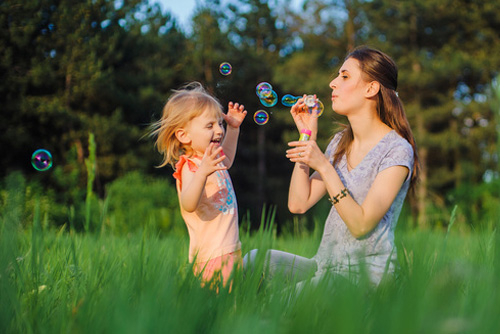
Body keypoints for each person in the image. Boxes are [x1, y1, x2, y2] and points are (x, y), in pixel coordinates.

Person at [244, 46, 419, 287]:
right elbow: (298, 204)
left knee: (287, 301)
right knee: (255, 261)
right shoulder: (340, 143)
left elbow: (361, 225)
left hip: (364, 277)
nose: (332, 83)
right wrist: (307, 136)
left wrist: (325, 167)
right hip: (325, 266)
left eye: (344, 76)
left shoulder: (397, 149)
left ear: (371, 88)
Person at [151, 82, 247, 290]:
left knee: (232, 304)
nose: (218, 130)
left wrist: (233, 129)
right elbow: (188, 203)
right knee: (226, 307)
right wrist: (202, 173)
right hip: (212, 255)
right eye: (209, 126)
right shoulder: (191, 166)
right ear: (184, 135)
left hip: (229, 248)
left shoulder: (211, 158)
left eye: (219, 124)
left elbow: (228, 159)